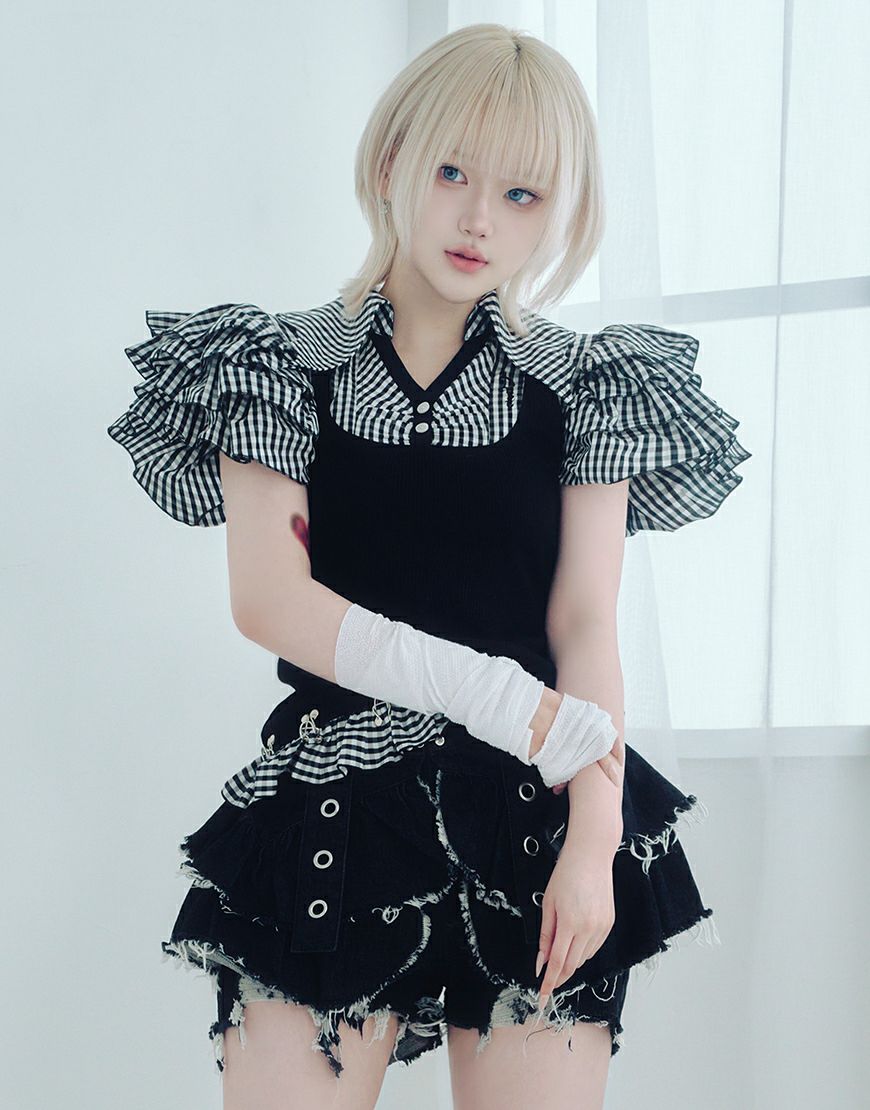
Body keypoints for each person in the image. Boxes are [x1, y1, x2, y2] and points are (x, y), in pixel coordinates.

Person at [106, 22, 749, 1110]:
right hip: (334, 813)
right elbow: (271, 602)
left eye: (521, 194)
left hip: (540, 812)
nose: (479, 218)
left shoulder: (587, 386)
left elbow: (585, 622)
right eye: (453, 172)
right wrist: (500, 698)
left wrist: (596, 837)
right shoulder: (273, 365)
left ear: (560, 211)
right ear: (393, 161)